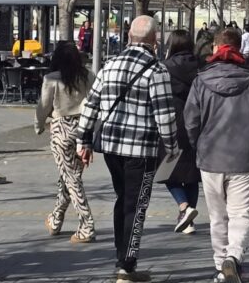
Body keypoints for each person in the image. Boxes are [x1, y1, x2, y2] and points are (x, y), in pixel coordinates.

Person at [75, 15, 177, 282]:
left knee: (123, 199)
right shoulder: (157, 70)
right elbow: (164, 115)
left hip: (111, 146)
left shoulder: (110, 65)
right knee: (137, 204)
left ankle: (121, 257)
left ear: (130, 37)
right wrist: (172, 147)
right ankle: (127, 265)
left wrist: (83, 141)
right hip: (140, 149)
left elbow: (91, 104)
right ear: (155, 41)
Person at [184, 28, 249, 283]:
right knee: (242, 214)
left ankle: (219, 266)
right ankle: (233, 258)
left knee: (217, 217)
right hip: (245, 157)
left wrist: (198, 145)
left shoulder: (201, 80)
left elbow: (190, 121)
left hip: (211, 157)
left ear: (215, 48)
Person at [35, 40, 95, 244]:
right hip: (83, 131)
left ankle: (86, 225)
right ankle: (56, 218)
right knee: (69, 177)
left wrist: (39, 124)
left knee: (71, 179)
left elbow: (43, 106)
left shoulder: (51, 78)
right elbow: (95, 102)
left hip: (61, 129)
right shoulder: (87, 75)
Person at [160, 30, 204, 236]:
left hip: (172, 123)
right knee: (192, 174)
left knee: (168, 171)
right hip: (197, 122)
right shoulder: (201, 67)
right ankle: (188, 220)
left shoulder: (165, 68)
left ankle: (184, 207)